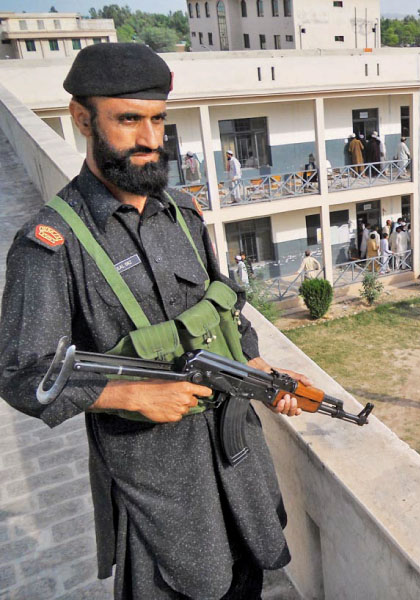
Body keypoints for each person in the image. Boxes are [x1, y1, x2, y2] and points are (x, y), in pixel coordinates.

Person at [0, 43, 311, 598]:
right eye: (128, 120)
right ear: (82, 119)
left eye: (158, 120)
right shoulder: (52, 243)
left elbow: (226, 311)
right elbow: (24, 372)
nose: (150, 139)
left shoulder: (183, 214)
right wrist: (130, 396)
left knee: (247, 582)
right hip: (159, 492)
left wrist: (261, 371)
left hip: (236, 466)